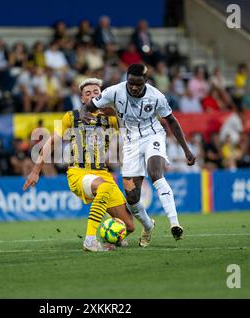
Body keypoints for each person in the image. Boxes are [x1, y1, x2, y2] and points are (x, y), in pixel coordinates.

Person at [81, 63, 196, 246]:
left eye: (138, 84)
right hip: (130, 143)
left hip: (153, 135)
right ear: (126, 79)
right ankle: (148, 226)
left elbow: (172, 121)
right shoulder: (114, 92)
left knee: (156, 174)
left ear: (146, 81)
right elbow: (89, 106)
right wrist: (84, 113)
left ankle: (175, 223)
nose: (134, 87)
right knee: (132, 197)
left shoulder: (156, 96)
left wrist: (186, 149)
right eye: (131, 83)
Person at [23, 78, 135, 252]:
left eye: (96, 92)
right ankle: (90, 240)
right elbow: (51, 142)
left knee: (129, 227)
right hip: (79, 172)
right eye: (87, 93)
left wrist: (115, 111)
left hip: (101, 173)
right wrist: (35, 170)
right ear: (82, 99)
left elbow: (133, 123)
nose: (92, 96)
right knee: (104, 188)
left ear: (103, 95)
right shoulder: (71, 117)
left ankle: (109, 241)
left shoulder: (110, 118)